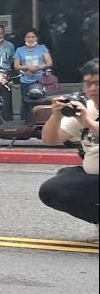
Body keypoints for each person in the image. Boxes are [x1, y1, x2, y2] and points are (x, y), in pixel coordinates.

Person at [40, 58, 99, 241]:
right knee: (53, 189)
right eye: (88, 84)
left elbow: (88, 123)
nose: (92, 89)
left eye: (97, 83)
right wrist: (56, 116)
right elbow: (50, 139)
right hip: (94, 177)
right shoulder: (85, 108)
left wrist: (88, 122)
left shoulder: (85, 115)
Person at [14, 29, 53, 122]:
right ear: (24, 38)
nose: (30, 39)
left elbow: (49, 62)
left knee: (40, 102)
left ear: (37, 38)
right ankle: (25, 122)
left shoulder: (42, 48)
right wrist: (28, 67)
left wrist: (37, 68)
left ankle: (40, 122)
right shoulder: (19, 50)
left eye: (33, 37)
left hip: (40, 80)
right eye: (28, 37)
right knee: (26, 102)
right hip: (25, 81)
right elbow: (16, 66)